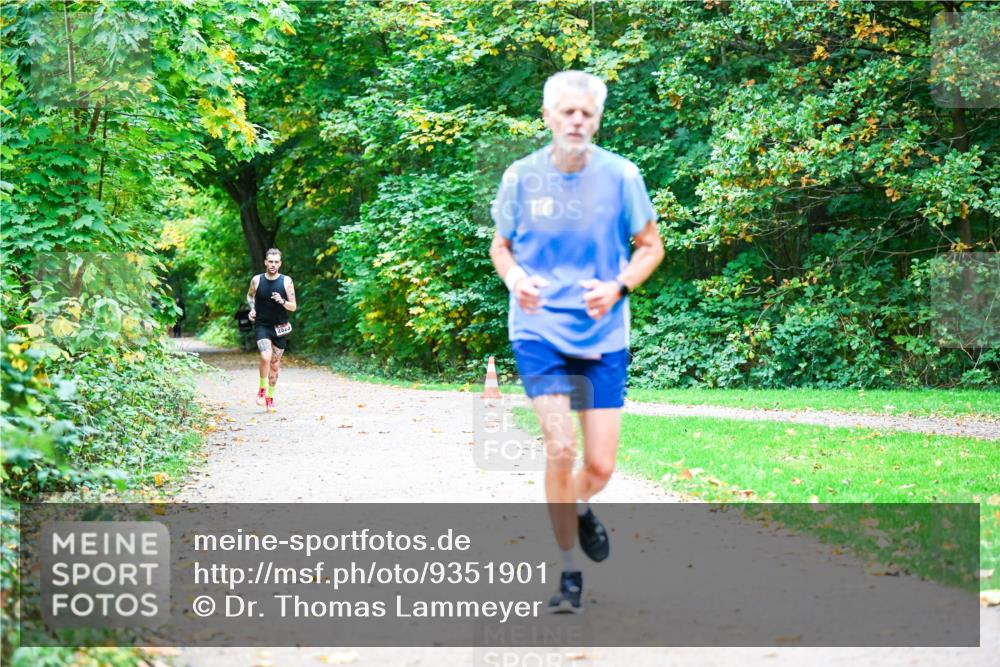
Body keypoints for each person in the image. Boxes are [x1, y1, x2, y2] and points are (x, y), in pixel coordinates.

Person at [489, 71, 664, 613]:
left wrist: (618, 287)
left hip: (603, 332)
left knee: (601, 467)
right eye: (567, 111)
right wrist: (517, 280)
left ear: (598, 119)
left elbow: (651, 246)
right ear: (548, 116)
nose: (576, 121)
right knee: (561, 447)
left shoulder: (622, 176)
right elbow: (501, 246)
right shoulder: (520, 177)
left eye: (586, 113)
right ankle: (569, 573)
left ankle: (579, 507)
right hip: (538, 328)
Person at [247, 248, 297, 413]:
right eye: (270, 261)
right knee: (265, 356)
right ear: (265, 262)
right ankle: (262, 388)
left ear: (280, 263)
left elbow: (293, 307)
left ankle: (270, 398)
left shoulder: (286, 281)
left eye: (276, 262)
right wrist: (252, 309)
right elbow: (250, 296)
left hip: (280, 328)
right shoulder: (257, 280)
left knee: (275, 365)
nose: (273, 264)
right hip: (262, 325)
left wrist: (282, 301)